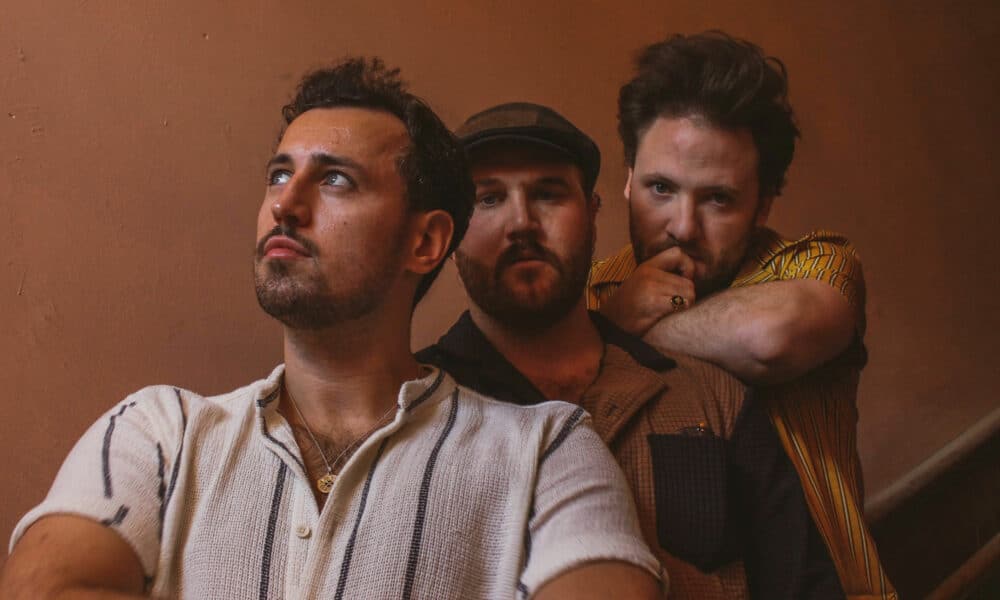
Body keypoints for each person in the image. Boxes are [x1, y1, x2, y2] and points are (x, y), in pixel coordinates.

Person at [0, 59, 662, 600]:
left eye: (336, 180)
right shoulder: (156, 432)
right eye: (280, 174)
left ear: (426, 241)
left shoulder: (547, 450)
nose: (285, 204)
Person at [418, 102, 842, 599]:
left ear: (593, 212)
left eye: (549, 194)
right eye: (488, 199)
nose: (521, 223)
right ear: (450, 230)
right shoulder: (417, 408)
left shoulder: (713, 397)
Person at [588, 32, 896, 598]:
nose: (682, 225)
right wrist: (609, 314)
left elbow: (769, 339)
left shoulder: (814, 264)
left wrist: (622, 329)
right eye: (660, 187)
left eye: (718, 199)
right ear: (628, 178)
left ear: (764, 205)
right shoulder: (592, 293)